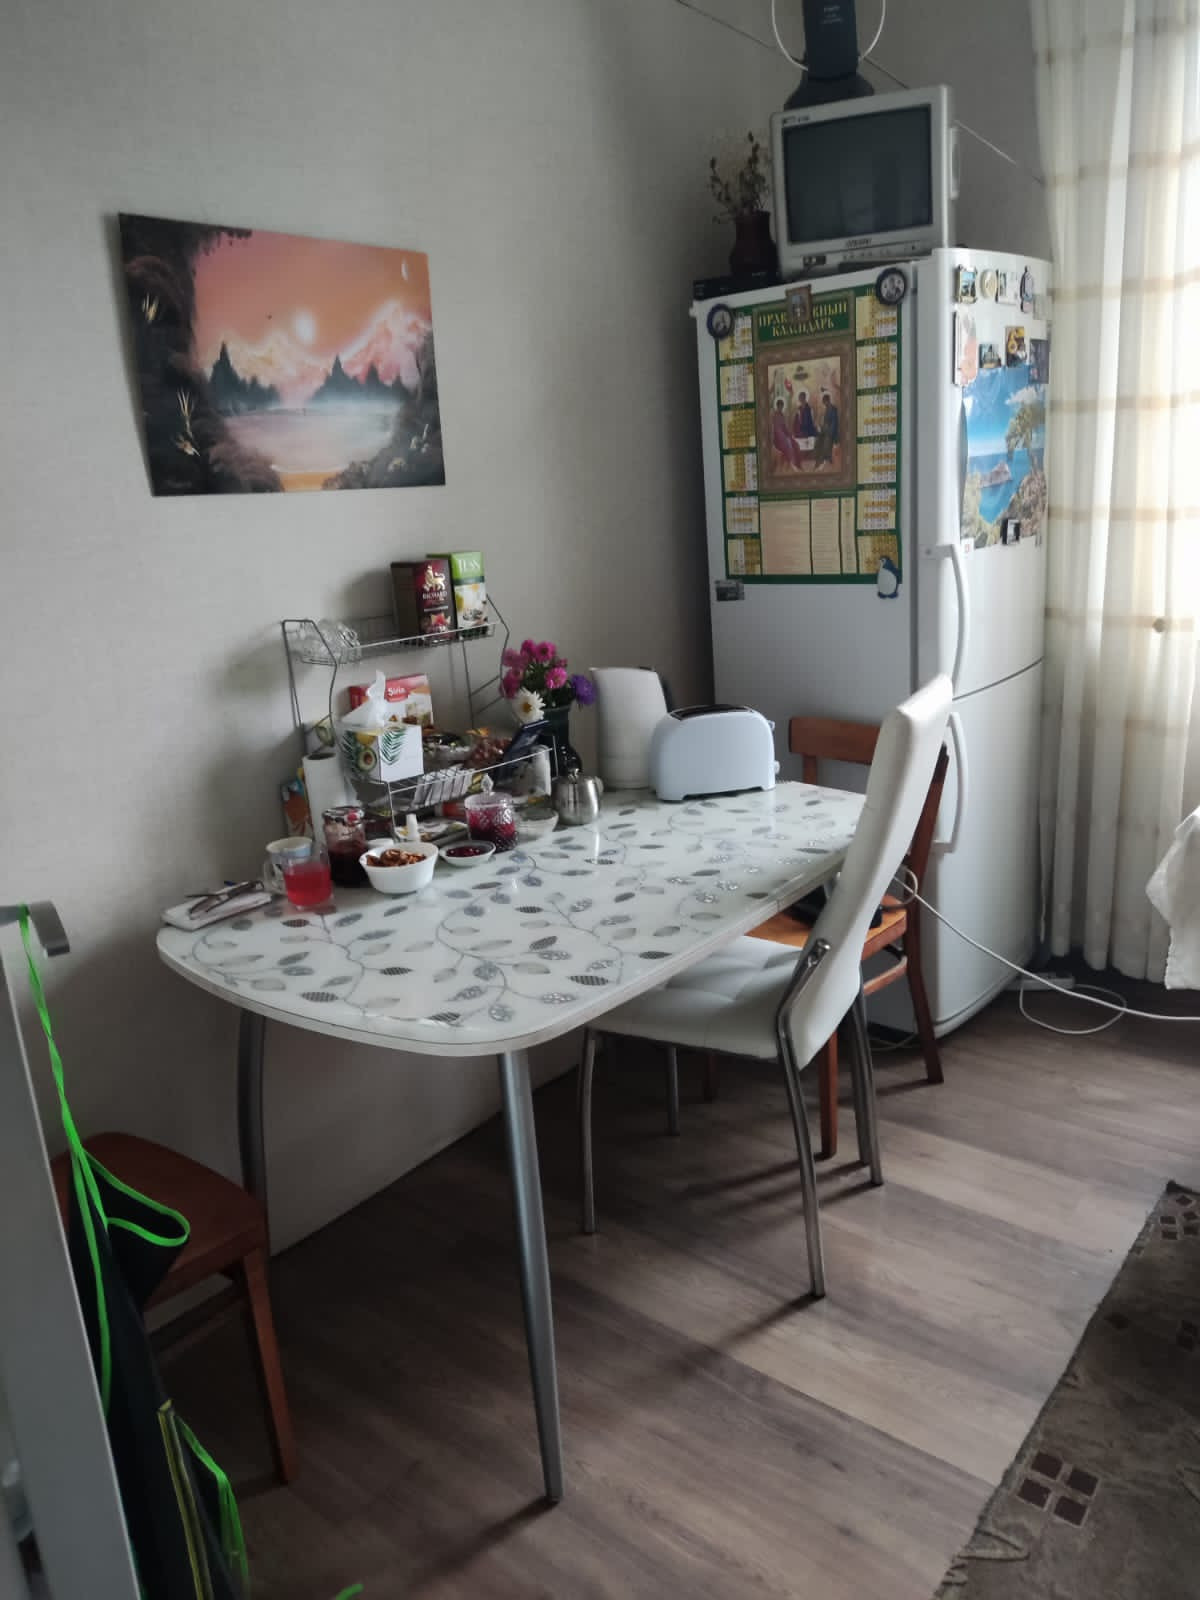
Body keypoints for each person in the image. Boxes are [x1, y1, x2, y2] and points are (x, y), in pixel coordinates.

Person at [791, 388, 816, 466]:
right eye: (800, 398)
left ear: (805, 398)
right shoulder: (799, 408)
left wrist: (807, 426)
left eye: (802, 398)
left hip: (808, 427)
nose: (801, 399)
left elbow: (811, 420)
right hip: (800, 428)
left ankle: (808, 456)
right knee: (797, 436)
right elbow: (796, 420)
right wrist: (796, 427)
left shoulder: (809, 408)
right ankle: (800, 456)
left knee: (810, 436)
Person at [815, 388, 839, 468]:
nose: (824, 404)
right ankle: (819, 459)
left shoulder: (833, 409)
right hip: (825, 430)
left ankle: (826, 458)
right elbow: (825, 422)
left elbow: (834, 423)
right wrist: (821, 427)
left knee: (826, 441)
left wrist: (829, 431)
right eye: (823, 403)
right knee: (818, 440)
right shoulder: (826, 409)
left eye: (825, 402)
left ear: (827, 401)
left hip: (832, 432)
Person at [771, 398, 797, 470]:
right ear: (777, 406)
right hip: (777, 434)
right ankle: (790, 461)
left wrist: (789, 433)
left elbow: (784, 426)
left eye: (782, 406)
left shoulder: (782, 415)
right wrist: (782, 434)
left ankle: (791, 462)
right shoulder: (774, 415)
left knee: (792, 441)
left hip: (782, 433)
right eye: (779, 406)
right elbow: (775, 427)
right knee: (787, 442)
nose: (781, 408)